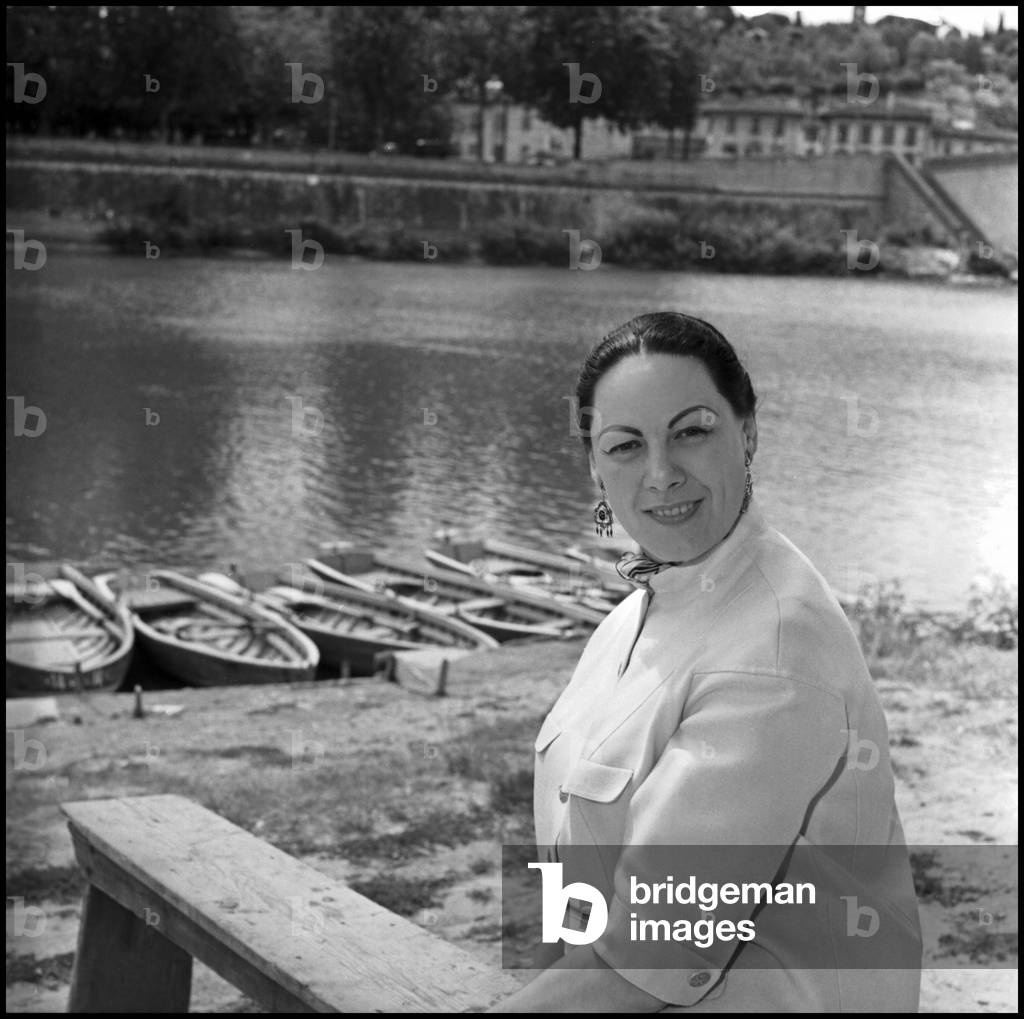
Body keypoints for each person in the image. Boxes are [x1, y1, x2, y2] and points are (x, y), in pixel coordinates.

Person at [489, 312, 921, 1012]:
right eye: (625, 445)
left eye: (691, 431)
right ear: (595, 468)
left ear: (746, 432)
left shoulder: (777, 647)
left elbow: (647, 958)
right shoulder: (631, 619)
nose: (661, 474)